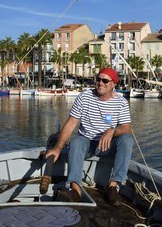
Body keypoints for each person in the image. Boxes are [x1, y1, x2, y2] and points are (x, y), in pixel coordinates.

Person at [46, 67, 133, 206]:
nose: (100, 83)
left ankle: (112, 186)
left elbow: (126, 129)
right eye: (98, 79)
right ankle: (75, 191)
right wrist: (57, 147)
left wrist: (111, 131)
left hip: (108, 146)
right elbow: (71, 123)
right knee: (77, 141)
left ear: (113, 84)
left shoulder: (121, 102)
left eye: (105, 80)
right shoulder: (84, 96)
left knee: (127, 140)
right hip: (87, 144)